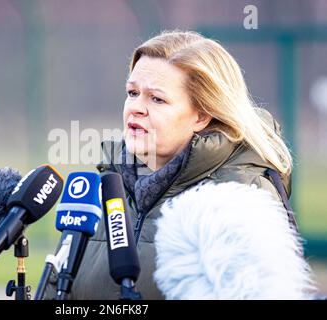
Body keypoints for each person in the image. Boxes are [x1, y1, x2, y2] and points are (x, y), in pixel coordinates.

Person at [44, 30, 314, 299]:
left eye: (157, 99)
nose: (136, 107)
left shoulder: (241, 198)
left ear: (202, 116)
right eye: (133, 92)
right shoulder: (105, 189)